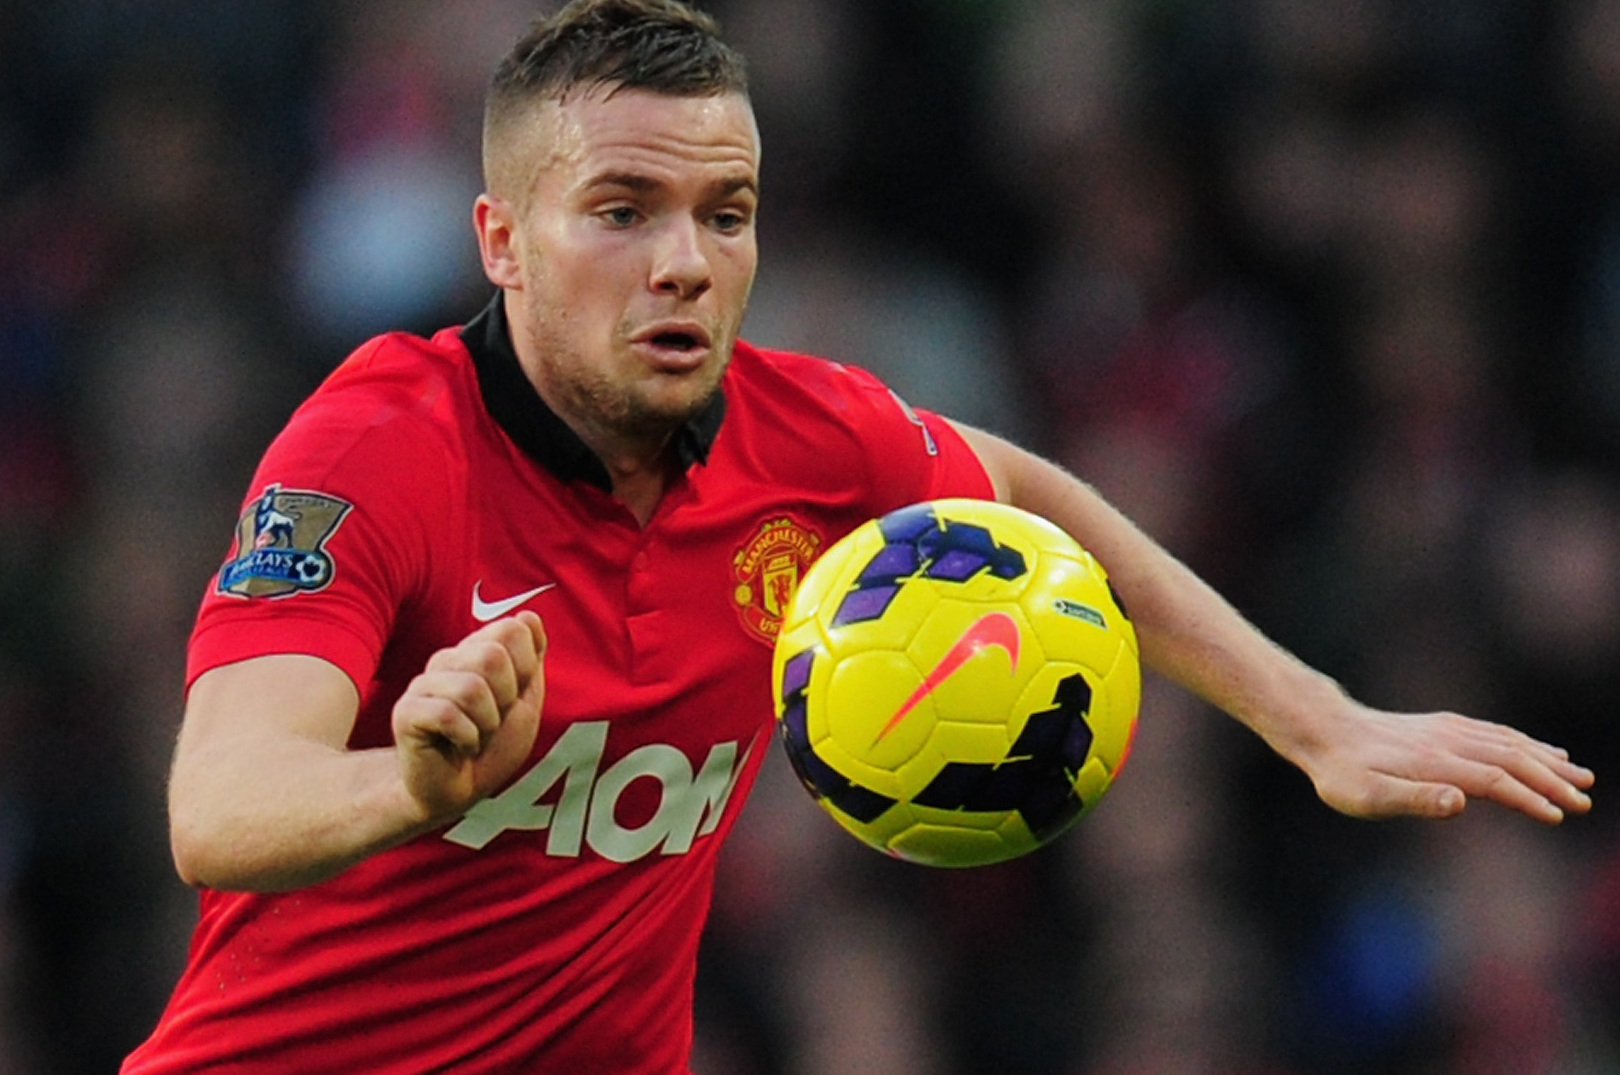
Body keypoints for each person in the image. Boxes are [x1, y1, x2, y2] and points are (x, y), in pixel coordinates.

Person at [121, 1, 1595, 1071]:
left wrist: (1313, 719)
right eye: (622, 211)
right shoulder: (383, 442)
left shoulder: (805, 437)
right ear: (502, 240)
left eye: (728, 212)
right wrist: (414, 785)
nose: (687, 264)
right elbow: (222, 808)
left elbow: (1029, 498)